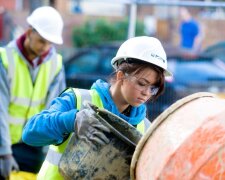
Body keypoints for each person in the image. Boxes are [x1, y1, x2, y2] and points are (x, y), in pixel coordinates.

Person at [22, 36, 172, 179]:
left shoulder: (144, 129)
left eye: (153, 88)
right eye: (142, 83)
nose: (146, 93)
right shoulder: (79, 100)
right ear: (121, 76)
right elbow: (30, 133)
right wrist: (72, 120)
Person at [0, 6, 66, 179]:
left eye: (50, 43)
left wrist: (48, 153)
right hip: (6, 144)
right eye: (42, 41)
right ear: (29, 32)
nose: (45, 47)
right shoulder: (5, 59)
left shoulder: (55, 65)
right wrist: (4, 153)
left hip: (35, 143)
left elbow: (55, 110)